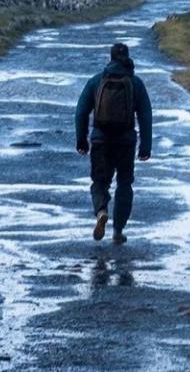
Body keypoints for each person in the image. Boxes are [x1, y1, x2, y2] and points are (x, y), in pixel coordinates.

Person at [75, 42, 152, 244]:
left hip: (101, 139)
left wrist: (81, 140)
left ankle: (101, 211)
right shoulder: (135, 83)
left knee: (100, 182)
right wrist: (145, 146)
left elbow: (81, 111)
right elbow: (146, 115)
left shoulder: (96, 81)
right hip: (126, 141)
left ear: (110, 58)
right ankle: (118, 231)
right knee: (124, 184)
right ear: (127, 58)